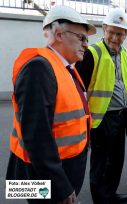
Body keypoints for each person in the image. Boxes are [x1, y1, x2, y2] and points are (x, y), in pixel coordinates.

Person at [6, 5, 96, 204]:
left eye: (86, 39)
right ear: (58, 34)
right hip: (45, 179)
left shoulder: (64, 67)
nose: (86, 44)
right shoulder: (39, 68)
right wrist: (61, 188)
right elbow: (36, 136)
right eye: (81, 37)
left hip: (56, 173)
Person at [75, 8, 127, 204]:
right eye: (111, 32)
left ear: (126, 35)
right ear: (104, 29)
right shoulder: (92, 53)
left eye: (120, 33)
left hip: (122, 117)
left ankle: (110, 194)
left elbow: (121, 82)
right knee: (101, 164)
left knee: (116, 161)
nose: (115, 37)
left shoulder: (123, 53)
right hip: (101, 119)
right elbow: (79, 89)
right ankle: (101, 200)